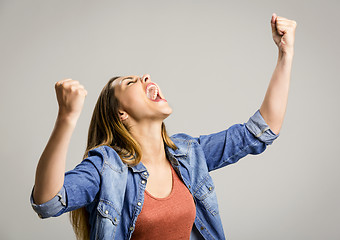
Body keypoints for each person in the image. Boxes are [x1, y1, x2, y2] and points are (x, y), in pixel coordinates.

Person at [30, 13, 297, 240]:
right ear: (121, 113)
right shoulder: (106, 167)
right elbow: (48, 202)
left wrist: (285, 54)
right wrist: (66, 118)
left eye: (142, 76)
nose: (146, 76)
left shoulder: (189, 153)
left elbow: (261, 131)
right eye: (131, 82)